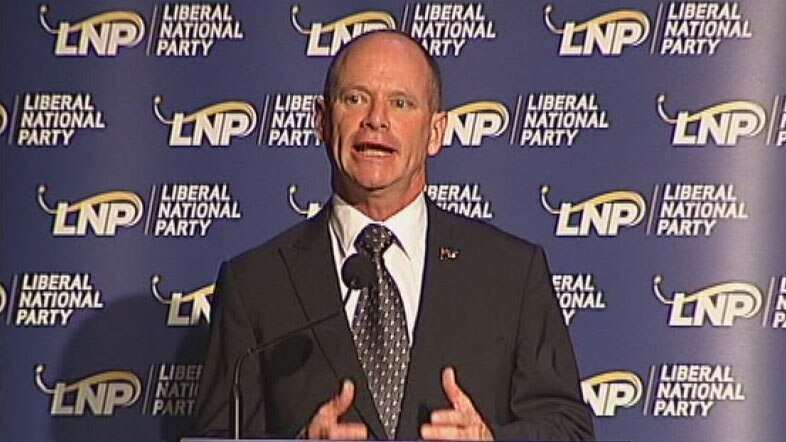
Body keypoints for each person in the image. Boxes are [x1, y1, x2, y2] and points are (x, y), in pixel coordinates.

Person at [193, 30, 594, 441]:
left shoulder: (510, 273)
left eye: (401, 103)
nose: (376, 119)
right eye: (355, 99)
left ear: (435, 132)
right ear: (322, 121)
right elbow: (215, 436)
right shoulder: (256, 283)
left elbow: (569, 430)